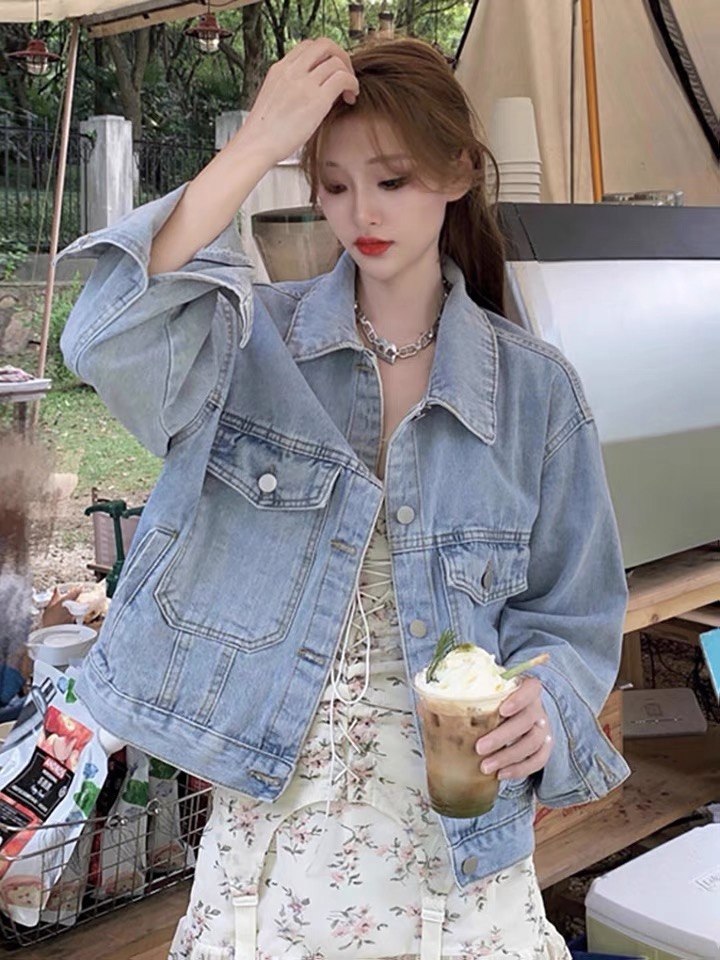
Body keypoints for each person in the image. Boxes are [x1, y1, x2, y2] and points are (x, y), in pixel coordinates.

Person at [59, 37, 630, 960]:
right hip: (270, 857)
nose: (361, 213)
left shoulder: (537, 392)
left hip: (461, 861)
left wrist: (546, 701)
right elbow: (100, 336)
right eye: (332, 184)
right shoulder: (251, 346)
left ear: (458, 173)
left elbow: (576, 612)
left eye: (392, 180)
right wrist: (256, 145)